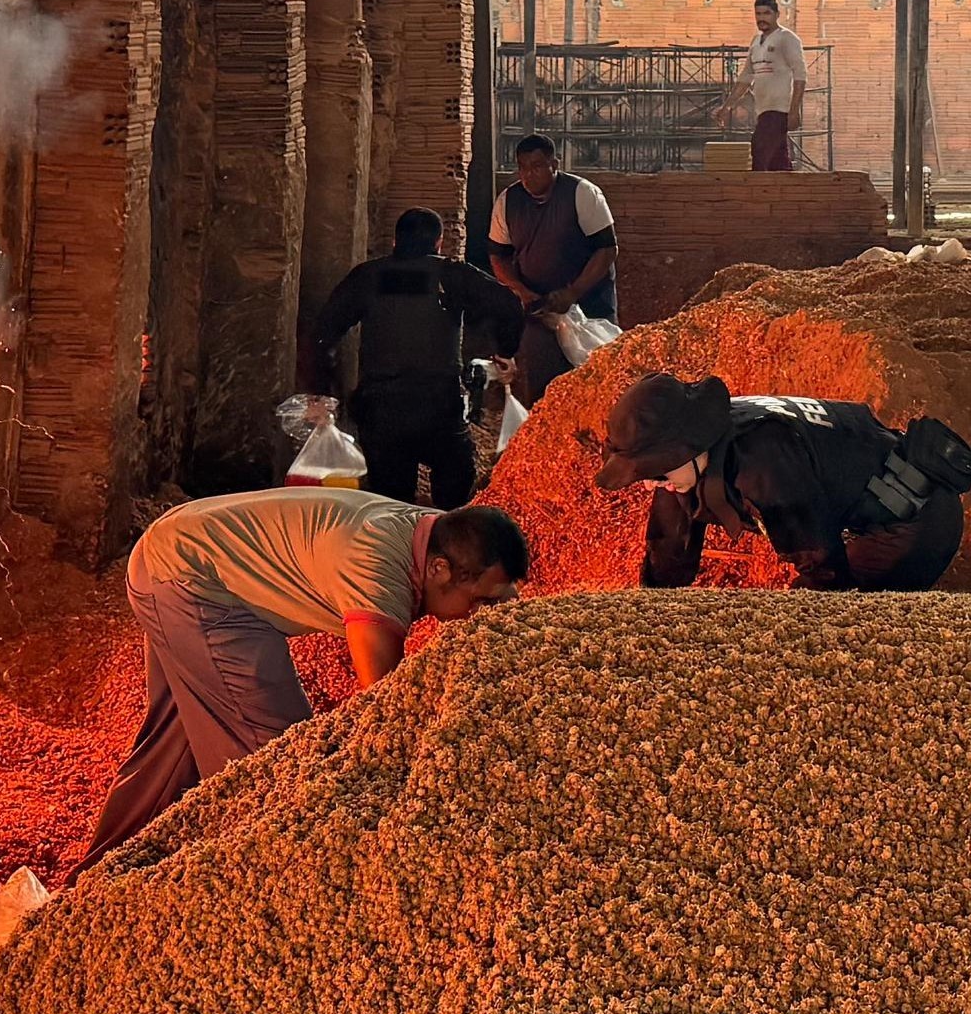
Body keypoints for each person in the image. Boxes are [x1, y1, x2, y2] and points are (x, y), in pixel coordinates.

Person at [81, 492, 529, 862]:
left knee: (172, 747)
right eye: (480, 602)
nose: (480, 619)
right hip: (193, 581)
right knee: (277, 762)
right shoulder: (377, 570)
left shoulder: (432, 533)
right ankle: (264, 887)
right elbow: (389, 710)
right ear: (440, 570)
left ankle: (99, 874)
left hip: (176, 547)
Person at [593, 374, 971, 590]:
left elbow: (820, 562)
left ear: (683, 449)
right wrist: (648, 615)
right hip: (863, 511)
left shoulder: (761, 458)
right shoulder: (688, 457)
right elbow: (668, 557)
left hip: (915, 520)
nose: (649, 485)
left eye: (655, 472)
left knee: (834, 617)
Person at [303, 207, 527, 507]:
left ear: (395, 241)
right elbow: (509, 304)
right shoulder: (451, 274)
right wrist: (504, 351)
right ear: (439, 242)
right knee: (456, 490)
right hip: (438, 409)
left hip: (382, 412)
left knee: (389, 503)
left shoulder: (369, 276)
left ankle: (399, 545)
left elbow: (323, 333)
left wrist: (322, 391)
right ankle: (443, 538)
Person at [488, 134, 616, 407]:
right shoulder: (508, 201)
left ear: (554, 164)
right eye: (522, 167)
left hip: (589, 306)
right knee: (541, 382)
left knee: (595, 382)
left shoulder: (583, 194)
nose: (528, 175)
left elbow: (606, 249)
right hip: (538, 309)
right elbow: (498, 256)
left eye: (536, 166)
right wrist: (521, 291)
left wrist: (573, 292)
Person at [722, 0, 807, 172]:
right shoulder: (755, 42)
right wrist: (727, 107)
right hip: (762, 110)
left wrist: (794, 111)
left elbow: (800, 75)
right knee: (777, 160)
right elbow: (746, 77)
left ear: (777, 14)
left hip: (779, 109)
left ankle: (758, 193)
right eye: (758, 14)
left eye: (766, 13)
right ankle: (786, 194)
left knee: (760, 150)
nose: (762, 18)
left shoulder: (787, 38)